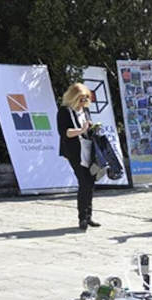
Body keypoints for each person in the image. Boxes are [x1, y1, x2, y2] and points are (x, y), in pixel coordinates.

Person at [57, 83, 99, 231]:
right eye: (81, 99)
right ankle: (82, 218)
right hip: (74, 151)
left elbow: (88, 128)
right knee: (84, 182)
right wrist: (81, 130)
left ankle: (89, 216)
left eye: (86, 98)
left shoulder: (85, 110)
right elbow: (65, 132)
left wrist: (92, 129)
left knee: (91, 182)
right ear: (73, 97)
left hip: (88, 149)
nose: (84, 101)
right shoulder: (65, 111)